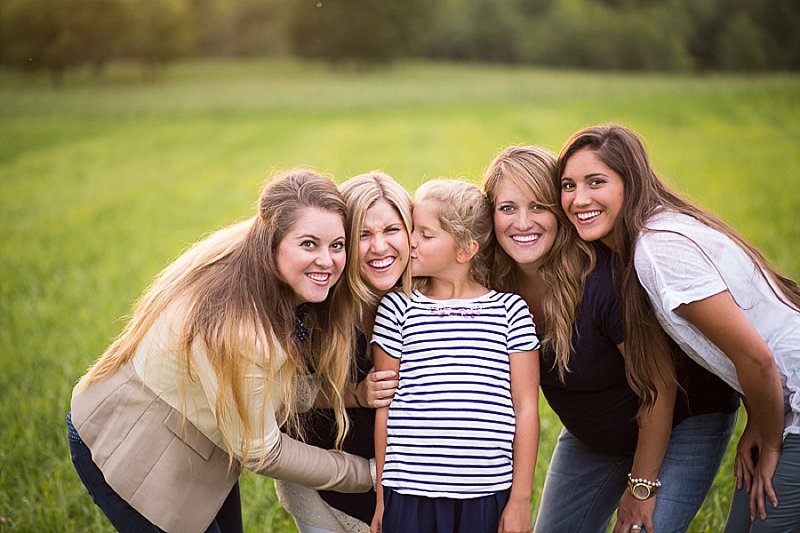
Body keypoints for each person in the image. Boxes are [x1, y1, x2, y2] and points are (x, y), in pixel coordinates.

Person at [67, 169, 374, 533]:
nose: (327, 260)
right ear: (272, 241)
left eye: (336, 245)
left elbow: (274, 388)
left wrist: (351, 394)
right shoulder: (243, 330)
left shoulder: (253, 252)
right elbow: (264, 451)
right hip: (131, 452)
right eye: (308, 244)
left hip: (199, 449)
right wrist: (368, 474)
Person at [482, 145, 740, 533]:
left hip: (680, 420)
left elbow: (659, 385)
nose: (523, 222)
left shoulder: (600, 281)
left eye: (539, 206)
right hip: (593, 435)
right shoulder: (490, 283)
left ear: (560, 211)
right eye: (507, 208)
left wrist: (641, 487)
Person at [556, 123, 800, 532]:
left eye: (596, 182)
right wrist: (761, 419)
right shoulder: (650, 237)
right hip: (781, 399)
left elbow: (756, 356)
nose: (579, 199)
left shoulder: (658, 250)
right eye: (568, 185)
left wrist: (772, 441)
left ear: (630, 182)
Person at [370, 178, 541, 533]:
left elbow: (526, 408)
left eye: (426, 234)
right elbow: (384, 407)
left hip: (487, 494)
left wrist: (520, 499)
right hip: (409, 493)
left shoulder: (510, 311)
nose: (410, 242)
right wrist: (383, 498)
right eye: (412, 230)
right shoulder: (398, 308)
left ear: (465, 250)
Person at [275, 171, 413, 533]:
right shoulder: (315, 300)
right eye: (363, 235)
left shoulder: (430, 302)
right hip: (319, 479)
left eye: (391, 230)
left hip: (398, 486)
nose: (379, 247)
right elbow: (284, 395)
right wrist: (355, 394)